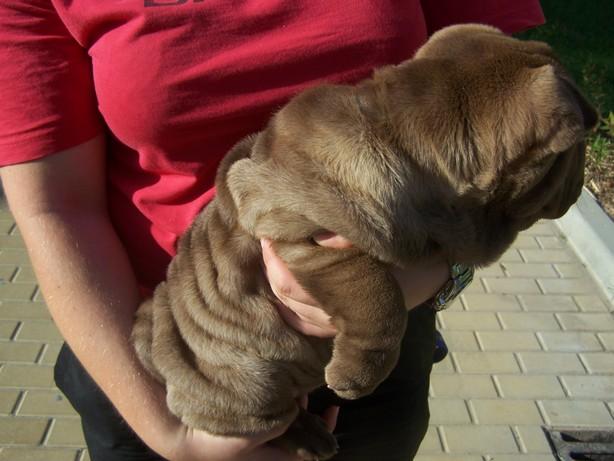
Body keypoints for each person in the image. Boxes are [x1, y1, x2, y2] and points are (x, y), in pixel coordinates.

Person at [0, 1, 544, 460]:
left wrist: (433, 276)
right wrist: (178, 439)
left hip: (372, 356)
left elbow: (513, 114)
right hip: (168, 363)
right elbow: (58, 209)